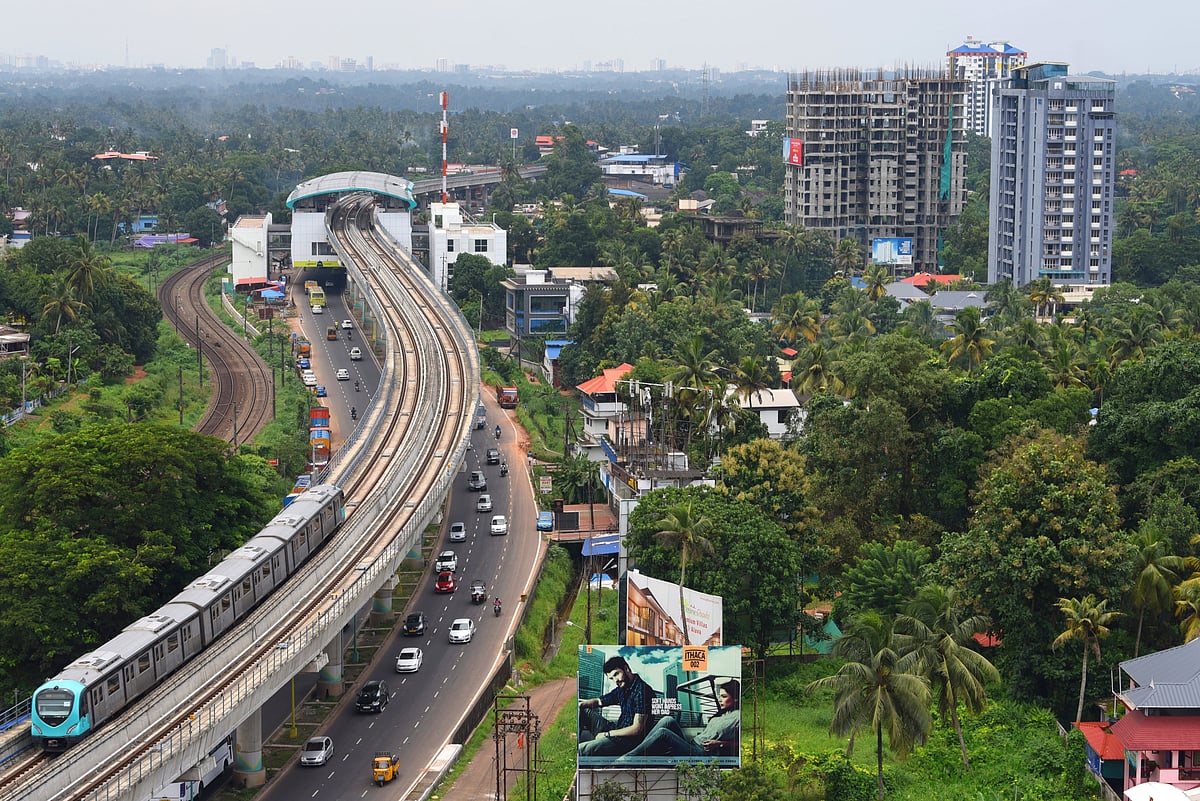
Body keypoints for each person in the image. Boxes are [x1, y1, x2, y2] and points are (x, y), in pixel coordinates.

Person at [615, 679, 740, 762]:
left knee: (663, 733)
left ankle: (626, 759)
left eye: (724, 696)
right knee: (667, 719)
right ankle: (639, 749)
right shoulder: (722, 713)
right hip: (692, 744)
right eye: (719, 696)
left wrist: (719, 744)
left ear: (735, 699)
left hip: (701, 754)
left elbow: (739, 742)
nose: (719, 699)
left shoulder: (738, 717)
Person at [578, 656, 652, 758]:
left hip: (629, 742)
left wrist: (607, 734)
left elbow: (637, 729)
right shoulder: (621, 688)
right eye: (612, 678)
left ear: (626, 668)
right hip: (616, 730)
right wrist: (581, 704)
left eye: (616, 674)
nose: (615, 681)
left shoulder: (642, 690)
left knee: (581, 750)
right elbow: (600, 701)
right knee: (584, 710)